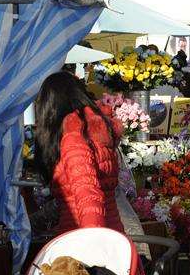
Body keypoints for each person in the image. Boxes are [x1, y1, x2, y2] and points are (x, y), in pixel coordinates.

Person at [34, 71, 124, 234]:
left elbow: (88, 195)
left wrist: (91, 245)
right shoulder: (94, 132)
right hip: (112, 231)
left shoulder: (74, 136)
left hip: (84, 236)